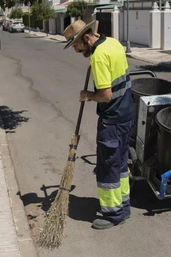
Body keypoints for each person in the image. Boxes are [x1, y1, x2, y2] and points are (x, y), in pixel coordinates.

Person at [63, 19, 135, 230]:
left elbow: (105, 95)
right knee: (121, 165)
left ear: (86, 37)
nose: (76, 50)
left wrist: (89, 95)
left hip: (111, 121)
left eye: (76, 45)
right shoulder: (113, 44)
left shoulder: (99, 57)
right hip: (126, 116)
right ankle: (124, 206)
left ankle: (113, 215)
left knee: (107, 169)